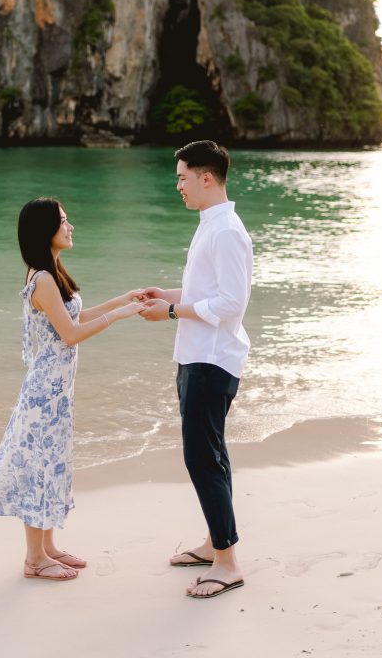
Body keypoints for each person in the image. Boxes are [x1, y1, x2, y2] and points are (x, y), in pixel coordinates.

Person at [0, 197, 142, 581]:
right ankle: (34, 559)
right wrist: (119, 316)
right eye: (64, 221)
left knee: (51, 465)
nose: (71, 227)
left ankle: (48, 548)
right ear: (45, 230)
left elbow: (75, 316)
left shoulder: (51, 273)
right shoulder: (44, 279)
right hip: (44, 393)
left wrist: (125, 299)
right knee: (39, 467)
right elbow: (70, 335)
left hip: (55, 392)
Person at [140, 140, 252, 599]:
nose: (179, 187)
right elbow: (205, 289)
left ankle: (227, 562)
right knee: (210, 455)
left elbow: (231, 302)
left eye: (183, 178)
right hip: (196, 355)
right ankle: (214, 544)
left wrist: (170, 314)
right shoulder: (211, 225)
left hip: (211, 359)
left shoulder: (226, 231)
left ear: (208, 178)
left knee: (202, 458)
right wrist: (168, 296)